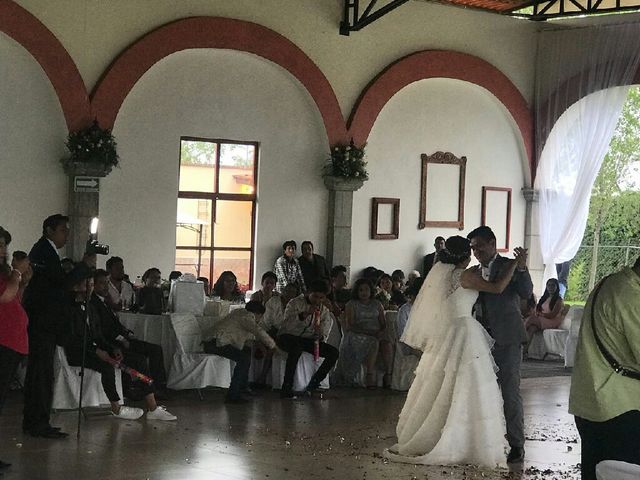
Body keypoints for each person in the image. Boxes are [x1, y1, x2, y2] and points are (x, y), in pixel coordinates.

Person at [385, 236, 523, 467]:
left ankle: (442, 433)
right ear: (465, 255)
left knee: (444, 384)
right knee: (466, 386)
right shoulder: (465, 275)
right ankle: (464, 439)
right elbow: (498, 288)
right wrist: (514, 265)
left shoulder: (443, 276)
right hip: (465, 331)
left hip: (449, 332)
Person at [61, 266, 176, 421]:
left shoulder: (90, 307)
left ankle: (152, 406)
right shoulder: (69, 309)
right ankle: (116, 408)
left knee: (139, 360)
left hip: (97, 348)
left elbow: (98, 335)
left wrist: (112, 348)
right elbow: (74, 338)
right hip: (79, 351)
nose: (89, 289)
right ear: (75, 287)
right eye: (86, 285)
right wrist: (97, 351)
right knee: (107, 367)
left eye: (91, 285)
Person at [569, 257, 640, 480]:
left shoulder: (609, 283)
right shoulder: (630, 295)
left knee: (597, 472)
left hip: (589, 401)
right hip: (620, 407)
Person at [467, 226, 532, 464]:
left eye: (479, 246)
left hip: (507, 338)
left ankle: (516, 444)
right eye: (472, 247)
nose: (476, 251)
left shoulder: (509, 266)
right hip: (479, 339)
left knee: (510, 391)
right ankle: (488, 439)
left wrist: (523, 267)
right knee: (482, 391)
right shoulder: (473, 271)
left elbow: (526, 292)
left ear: (493, 243)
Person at [22, 214, 70, 438]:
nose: (66, 235)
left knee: (41, 374)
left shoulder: (47, 251)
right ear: (49, 230)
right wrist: (83, 268)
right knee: (40, 374)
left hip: (45, 322)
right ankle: (37, 423)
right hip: (42, 321)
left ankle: (37, 420)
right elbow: (58, 284)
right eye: (63, 230)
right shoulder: (43, 251)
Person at [91, 269, 168, 395]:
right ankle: (147, 391)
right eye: (101, 283)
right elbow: (103, 330)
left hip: (121, 339)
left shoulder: (104, 301)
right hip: (112, 344)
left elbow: (115, 324)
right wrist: (122, 339)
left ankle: (159, 386)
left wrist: (126, 333)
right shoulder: (94, 303)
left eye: (106, 283)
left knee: (156, 349)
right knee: (140, 359)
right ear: (93, 284)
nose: (106, 287)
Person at [0, 229, 31, 472]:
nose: (3, 250)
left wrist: (23, 280)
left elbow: (16, 298)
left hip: (11, 343)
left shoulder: (5, 274)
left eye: (4, 246)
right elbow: (6, 296)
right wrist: (17, 272)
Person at [203, 301, 276, 404]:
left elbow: (250, 338)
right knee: (243, 359)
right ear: (258, 314)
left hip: (213, 342)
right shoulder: (247, 317)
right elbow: (258, 331)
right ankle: (233, 394)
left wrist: (262, 347)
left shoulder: (238, 313)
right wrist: (273, 346)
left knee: (246, 352)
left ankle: (243, 387)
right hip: (216, 343)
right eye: (261, 316)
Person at [277, 279, 339, 398]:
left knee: (333, 352)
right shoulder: (294, 303)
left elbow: (325, 328)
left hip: (307, 340)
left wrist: (320, 335)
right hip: (288, 336)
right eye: (315, 296)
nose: (317, 300)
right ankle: (287, 387)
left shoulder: (323, 310)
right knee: (296, 349)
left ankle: (314, 384)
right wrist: (303, 315)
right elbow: (286, 325)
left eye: (321, 298)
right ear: (308, 292)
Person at [341, 278, 393, 388]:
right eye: (361, 290)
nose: (364, 293)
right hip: (358, 334)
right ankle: (370, 375)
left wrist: (380, 331)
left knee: (387, 344)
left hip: (376, 333)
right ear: (357, 291)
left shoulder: (377, 304)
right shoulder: (352, 304)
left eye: (366, 289)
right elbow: (350, 325)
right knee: (373, 342)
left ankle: (388, 376)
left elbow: (383, 324)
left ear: (371, 291)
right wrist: (369, 332)